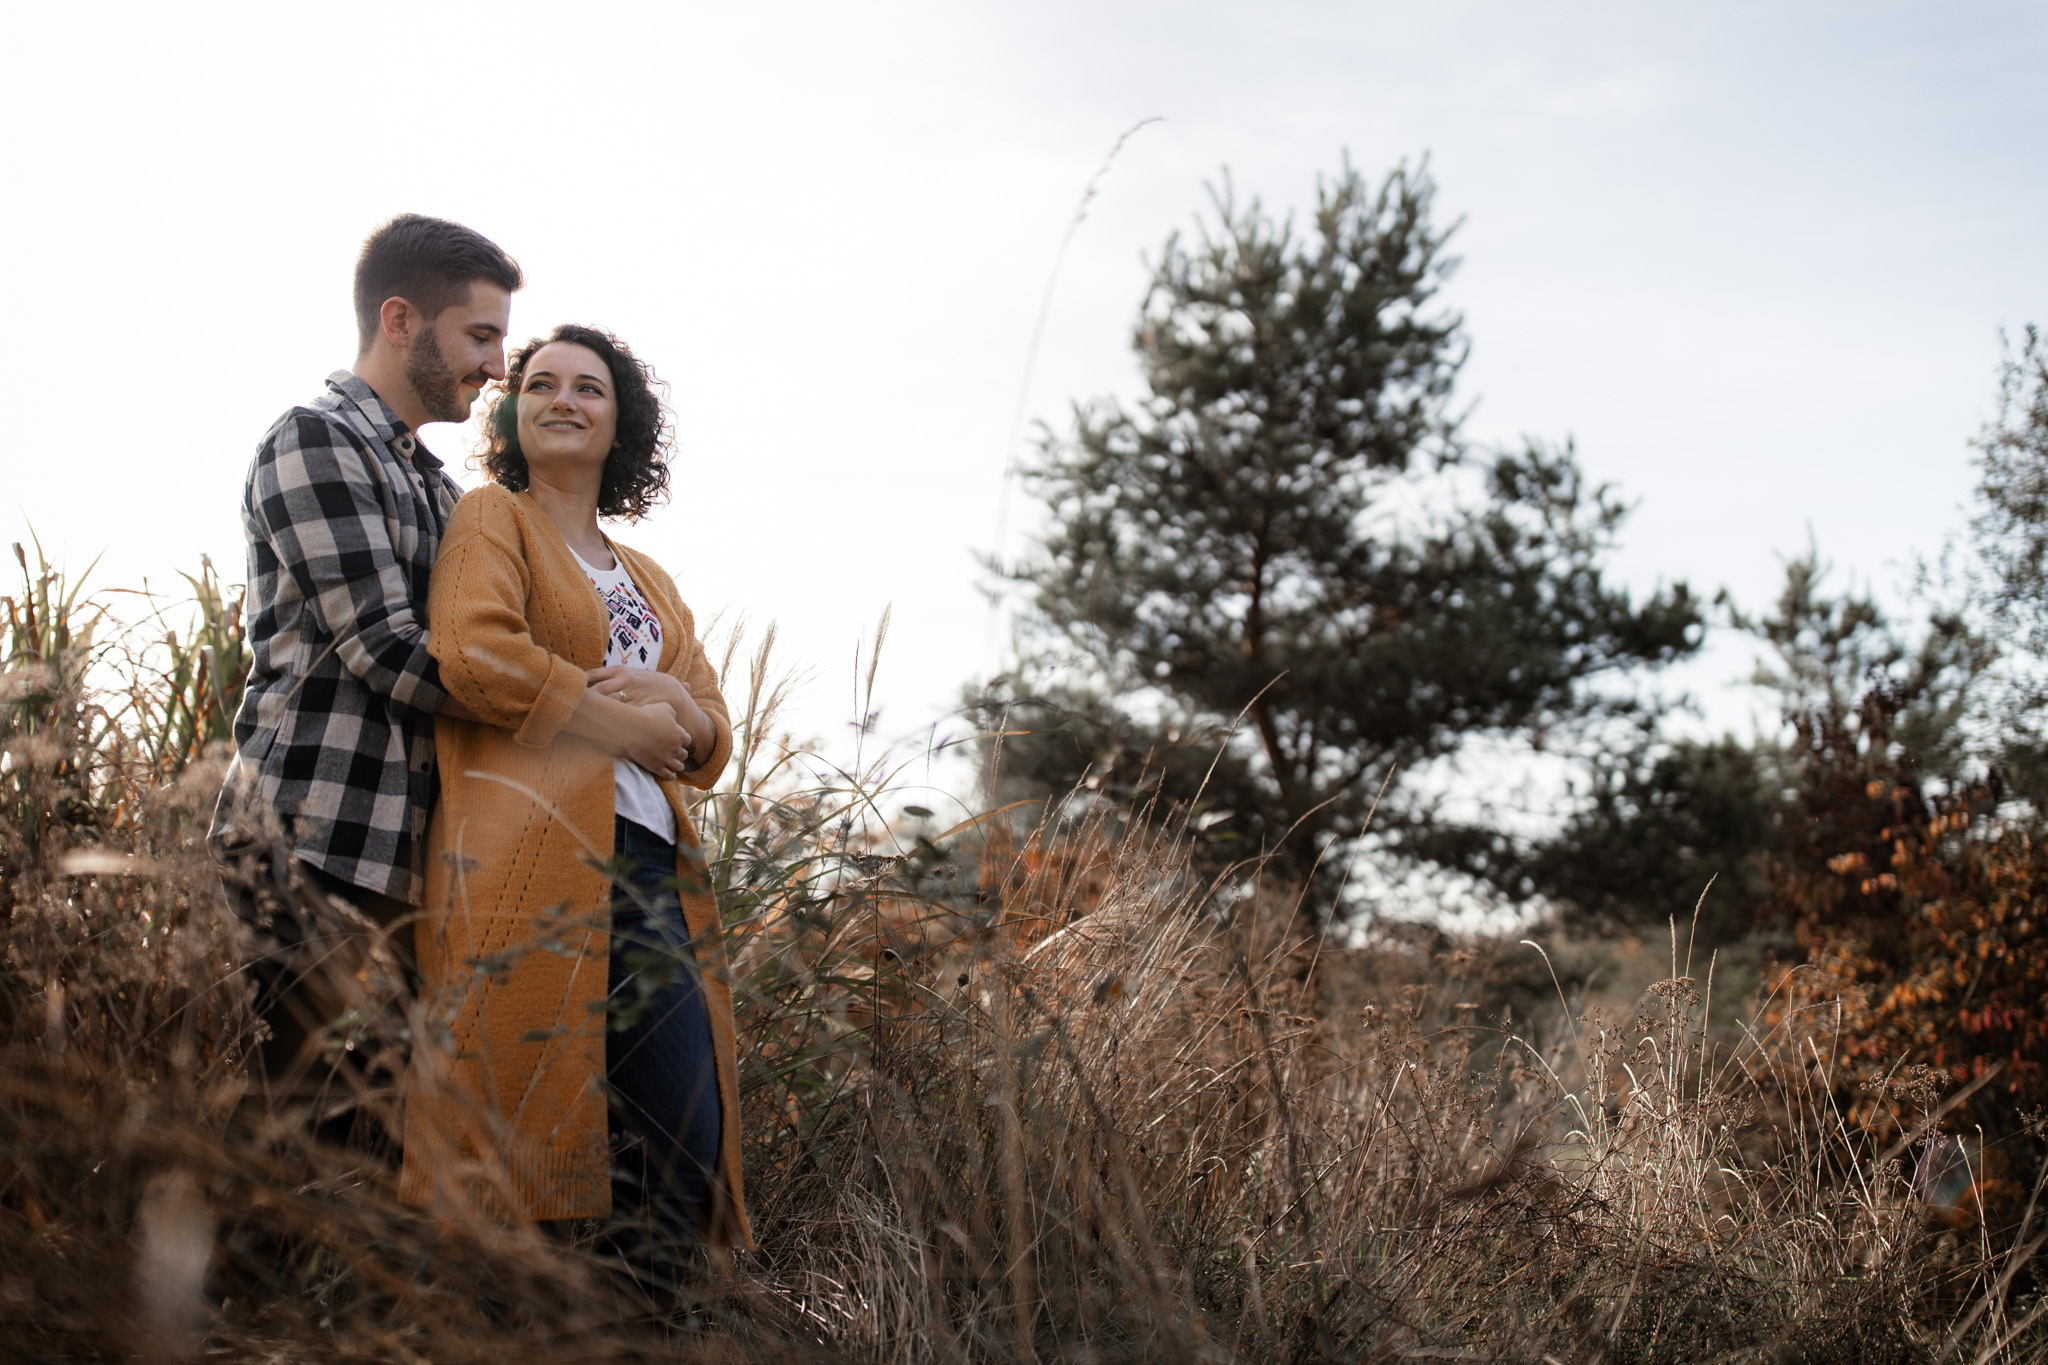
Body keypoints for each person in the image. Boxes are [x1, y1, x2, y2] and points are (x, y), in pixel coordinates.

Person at [397, 325, 751, 1253]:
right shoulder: (491, 518)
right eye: (540, 382)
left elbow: (709, 732)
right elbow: (473, 653)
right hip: (530, 857)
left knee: (679, 1150)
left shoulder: (648, 576)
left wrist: (673, 701)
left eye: (588, 387)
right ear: (512, 413)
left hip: (649, 871)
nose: (563, 399)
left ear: (618, 421)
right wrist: (626, 724)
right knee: (533, 1157)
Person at [209, 214, 522, 1109]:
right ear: (399, 320)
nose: (497, 365)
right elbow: (385, 647)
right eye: (480, 334)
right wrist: (564, 706)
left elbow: (476, 641)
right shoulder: (315, 440)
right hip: (308, 841)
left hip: (399, 864)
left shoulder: (437, 485)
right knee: (294, 1138)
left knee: (373, 1150)